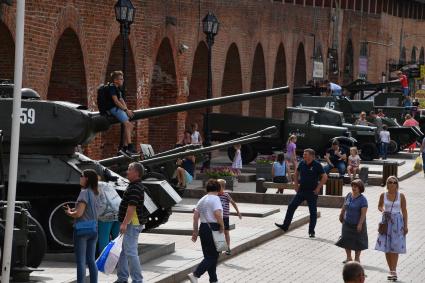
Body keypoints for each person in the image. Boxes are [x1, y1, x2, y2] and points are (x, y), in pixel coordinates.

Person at [275, 148, 327, 238]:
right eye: (303, 154)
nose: (303, 156)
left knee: (313, 212)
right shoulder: (302, 163)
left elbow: (325, 177)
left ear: (311, 156)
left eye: (305, 154)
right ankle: (285, 226)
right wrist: (296, 185)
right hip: (301, 191)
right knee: (291, 206)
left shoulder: (317, 165)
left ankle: (311, 232)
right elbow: (296, 173)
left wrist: (318, 188)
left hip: (312, 192)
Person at [64, 169, 99, 283]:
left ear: (87, 179)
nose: (80, 178)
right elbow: (86, 209)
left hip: (82, 230)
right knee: (91, 260)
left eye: (81, 176)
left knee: (81, 261)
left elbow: (79, 213)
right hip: (93, 229)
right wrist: (74, 209)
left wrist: (70, 213)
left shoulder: (84, 192)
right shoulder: (95, 193)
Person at [114, 162, 147, 283]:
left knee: (131, 252)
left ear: (136, 173)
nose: (127, 172)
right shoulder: (133, 185)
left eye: (129, 169)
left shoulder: (136, 187)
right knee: (122, 251)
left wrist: (124, 223)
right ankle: (122, 278)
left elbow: (131, 208)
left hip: (132, 224)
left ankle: (137, 280)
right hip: (130, 223)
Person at [188, 179, 225, 283]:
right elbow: (217, 214)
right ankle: (195, 274)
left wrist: (195, 232)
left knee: (209, 256)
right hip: (213, 228)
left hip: (203, 228)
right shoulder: (215, 199)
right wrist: (222, 225)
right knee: (213, 256)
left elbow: (195, 217)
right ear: (218, 188)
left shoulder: (202, 199)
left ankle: (213, 280)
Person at [375, 176, 408, 282]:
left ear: (397, 184)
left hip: (397, 223)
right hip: (386, 222)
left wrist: (406, 226)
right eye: (390, 182)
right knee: (387, 247)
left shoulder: (401, 196)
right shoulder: (383, 195)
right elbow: (379, 206)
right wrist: (383, 210)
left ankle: (393, 270)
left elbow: (404, 211)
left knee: (395, 247)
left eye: (394, 182)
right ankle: (391, 270)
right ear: (387, 183)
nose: (392, 184)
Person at [336, 179, 368, 264]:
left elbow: (363, 214)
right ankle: (349, 257)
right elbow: (344, 205)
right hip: (347, 222)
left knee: (358, 241)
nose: (353, 188)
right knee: (346, 239)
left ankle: (357, 259)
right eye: (353, 186)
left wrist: (360, 224)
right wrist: (341, 213)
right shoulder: (349, 195)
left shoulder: (363, 200)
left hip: (358, 223)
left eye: (356, 186)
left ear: (360, 188)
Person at [107, 71, 135, 155]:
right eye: (121, 79)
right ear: (115, 80)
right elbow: (115, 101)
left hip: (117, 108)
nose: (123, 80)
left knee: (131, 125)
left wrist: (127, 109)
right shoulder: (112, 87)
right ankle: (129, 146)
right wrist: (126, 110)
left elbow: (121, 100)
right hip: (112, 108)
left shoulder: (117, 88)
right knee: (127, 124)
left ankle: (125, 147)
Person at [217, 179, 242, 256]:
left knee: (226, 232)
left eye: (219, 187)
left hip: (225, 217)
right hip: (218, 218)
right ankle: (220, 248)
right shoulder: (215, 195)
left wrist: (238, 212)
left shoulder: (226, 195)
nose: (217, 189)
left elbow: (233, 203)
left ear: (223, 187)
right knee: (219, 233)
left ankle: (228, 247)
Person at [97, 181, 121, 254]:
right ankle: (117, 260)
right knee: (117, 239)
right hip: (118, 212)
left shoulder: (93, 186)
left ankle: (104, 261)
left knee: (104, 238)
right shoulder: (106, 184)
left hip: (105, 215)